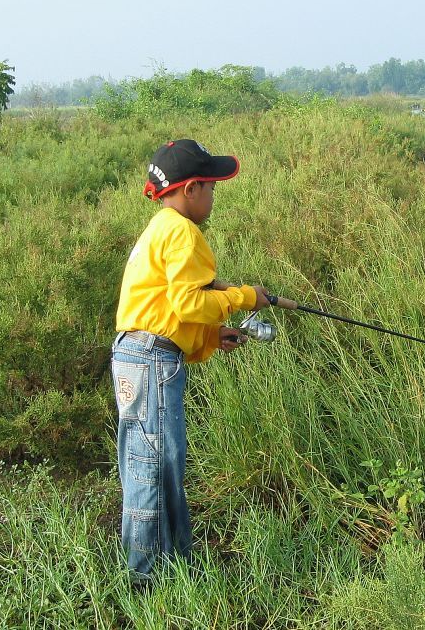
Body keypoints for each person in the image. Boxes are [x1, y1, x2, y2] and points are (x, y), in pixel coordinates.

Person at [111, 139, 269, 584]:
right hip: (150, 359)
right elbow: (186, 302)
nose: (214, 196)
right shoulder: (183, 232)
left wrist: (211, 337)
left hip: (137, 354)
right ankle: (145, 581)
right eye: (212, 187)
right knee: (153, 467)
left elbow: (165, 307)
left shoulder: (158, 228)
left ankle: (177, 565)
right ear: (192, 188)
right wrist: (244, 298)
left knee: (155, 463)